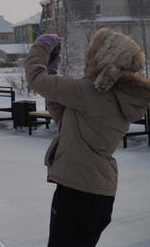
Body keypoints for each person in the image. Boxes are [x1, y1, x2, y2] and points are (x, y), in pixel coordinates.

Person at [25, 29, 150, 247]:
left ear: (102, 56)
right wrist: (53, 78)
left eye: (92, 51)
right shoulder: (118, 95)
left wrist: (42, 46)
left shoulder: (90, 92)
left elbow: (35, 78)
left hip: (78, 194)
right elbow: (68, 120)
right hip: (97, 194)